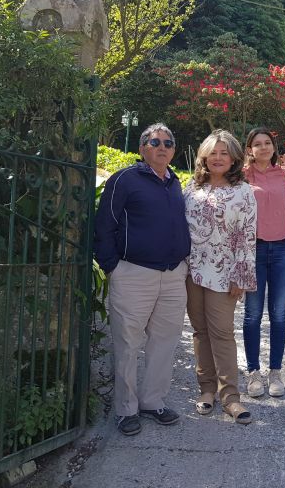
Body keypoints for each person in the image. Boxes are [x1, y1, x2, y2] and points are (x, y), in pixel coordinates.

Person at [94, 123, 190, 436]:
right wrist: (112, 267)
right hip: (133, 273)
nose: (162, 147)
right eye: (155, 142)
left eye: (168, 143)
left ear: (173, 150)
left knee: (165, 342)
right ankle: (126, 409)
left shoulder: (174, 182)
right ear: (142, 148)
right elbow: (104, 225)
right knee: (128, 343)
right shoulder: (124, 179)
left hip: (172, 276)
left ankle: (152, 402)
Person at [183, 130, 257, 424]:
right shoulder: (191, 189)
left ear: (234, 158)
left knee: (222, 333)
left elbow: (247, 237)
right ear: (203, 156)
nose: (218, 158)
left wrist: (241, 276)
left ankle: (231, 398)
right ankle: (206, 390)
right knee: (200, 332)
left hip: (225, 273)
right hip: (191, 271)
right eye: (212, 152)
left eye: (224, 153)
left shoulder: (243, 191)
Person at [241, 127, 285, 398]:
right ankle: (253, 372)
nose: (263, 147)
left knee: (278, 313)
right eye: (258, 144)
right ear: (250, 149)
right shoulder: (241, 176)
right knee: (252, 314)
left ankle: (275, 371)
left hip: (282, 251)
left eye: (267, 143)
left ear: (274, 147)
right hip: (253, 249)